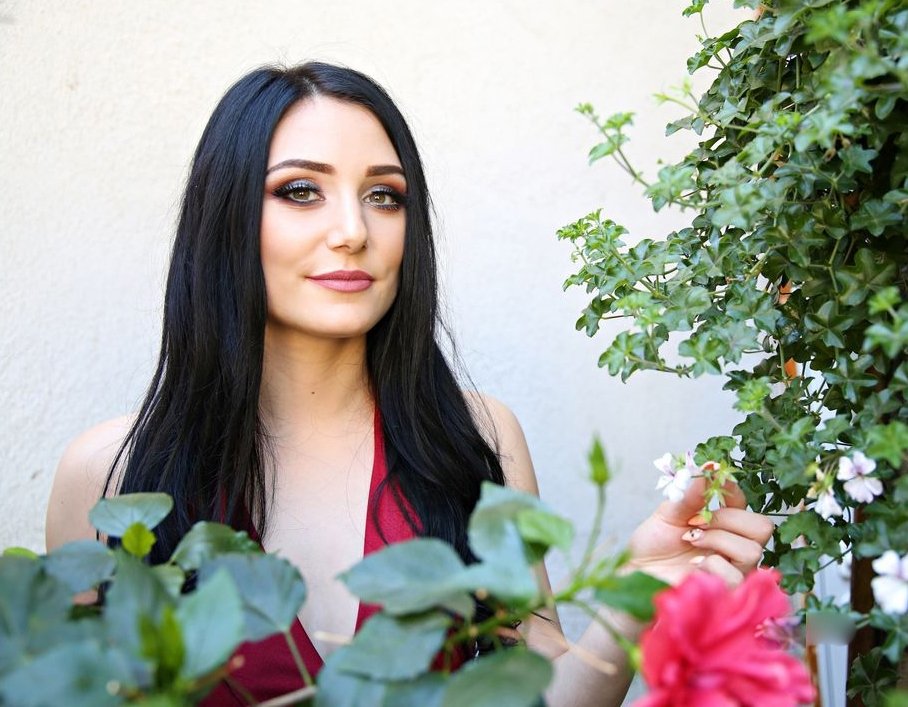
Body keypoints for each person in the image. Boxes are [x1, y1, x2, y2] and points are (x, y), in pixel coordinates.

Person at [45, 62, 774, 706]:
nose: (353, 230)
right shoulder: (111, 475)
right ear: (224, 216)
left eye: (384, 196)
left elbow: (538, 689)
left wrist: (631, 600)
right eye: (300, 190)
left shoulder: (477, 437)